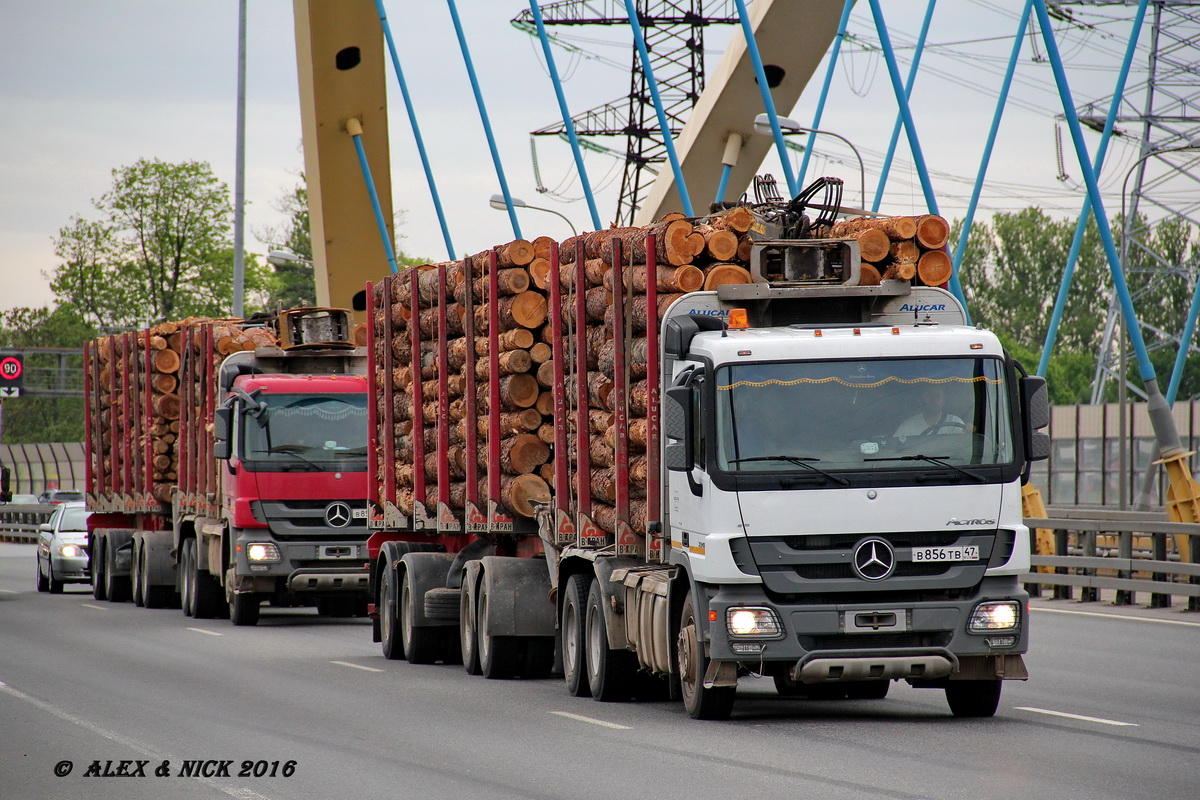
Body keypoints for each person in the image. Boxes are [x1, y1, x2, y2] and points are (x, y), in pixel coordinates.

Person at [894, 383, 966, 440]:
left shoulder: (955, 422)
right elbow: (895, 447)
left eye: (937, 396)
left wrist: (968, 431)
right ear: (921, 401)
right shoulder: (908, 425)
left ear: (943, 401)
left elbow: (964, 446)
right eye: (929, 396)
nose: (934, 399)